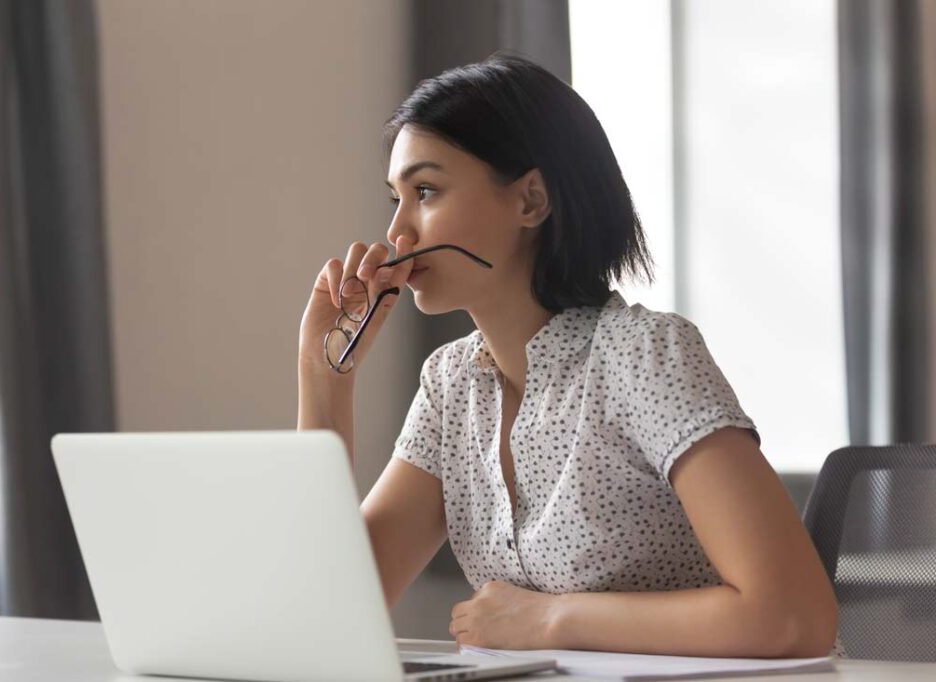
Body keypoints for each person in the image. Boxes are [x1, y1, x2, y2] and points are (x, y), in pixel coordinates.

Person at [297, 53, 839, 658]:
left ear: (531, 201)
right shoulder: (451, 387)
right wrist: (324, 378)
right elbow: (331, 605)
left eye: (425, 191)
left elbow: (793, 616)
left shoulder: (644, 356)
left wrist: (551, 621)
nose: (399, 233)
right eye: (395, 197)